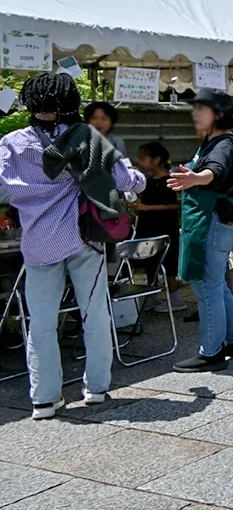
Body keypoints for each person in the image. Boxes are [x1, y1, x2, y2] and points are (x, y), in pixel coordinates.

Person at [0, 74, 146, 419]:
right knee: (93, 313)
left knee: (41, 321)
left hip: (37, 242)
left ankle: (44, 399)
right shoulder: (87, 137)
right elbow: (128, 182)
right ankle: (95, 388)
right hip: (84, 239)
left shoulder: (11, 143)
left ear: (30, 103)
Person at [168, 89, 233, 372]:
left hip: (215, 223)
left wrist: (195, 177)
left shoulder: (223, 144)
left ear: (217, 114)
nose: (194, 115)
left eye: (200, 109)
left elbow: (213, 172)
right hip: (217, 223)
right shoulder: (212, 142)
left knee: (206, 285)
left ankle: (212, 352)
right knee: (214, 283)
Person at [133, 141, 184, 312]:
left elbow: (174, 205)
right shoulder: (147, 180)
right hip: (147, 227)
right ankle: (151, 296)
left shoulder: (170, 180)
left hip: (164, 227)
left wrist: (147, 207)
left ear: (156, 159)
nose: (141, 162)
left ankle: (176, 300)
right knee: (147, 263)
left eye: (143, 158)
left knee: (168, 265)